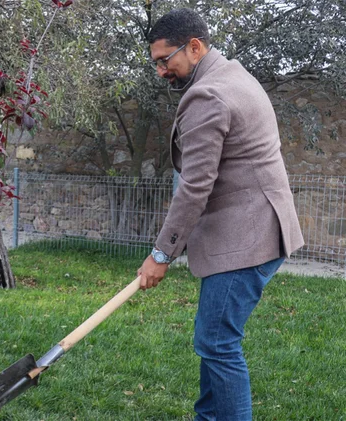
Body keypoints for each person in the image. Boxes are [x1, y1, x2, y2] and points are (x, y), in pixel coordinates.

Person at [139, 8, 304, 421]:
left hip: (247, 237)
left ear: (194, 47)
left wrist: (161, 255)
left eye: (165, 60)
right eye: (155, 62)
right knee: (214, 342)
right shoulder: (233, 75)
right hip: (262, 227)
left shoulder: (208, 95)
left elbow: (195, 187)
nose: (161, 71)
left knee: (217, 343)